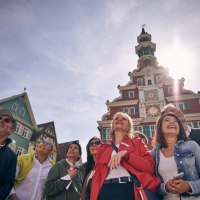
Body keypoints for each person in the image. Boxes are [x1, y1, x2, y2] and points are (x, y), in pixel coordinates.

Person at [90, 112, 160, 200]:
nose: (119, 119)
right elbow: (97, 177)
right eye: (116, 118)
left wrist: (127, 155)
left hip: (130, 188)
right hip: (106, 190)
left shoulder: (137, 142)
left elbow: (149, 167)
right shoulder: (104, 148)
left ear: (129, 127)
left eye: (124, 119)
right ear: (112, 127)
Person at [151, 112, 200, 199]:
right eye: (167, 120)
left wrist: (189, 186)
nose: (172, 122)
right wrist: (165, 187)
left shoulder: (192, 145)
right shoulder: (153, 153)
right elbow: (153, 185)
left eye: (175, 121)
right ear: (160, 128)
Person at [0, 109, 17, 200]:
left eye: (6, 120)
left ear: (11, 130)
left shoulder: (12, 156)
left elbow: (8, 183)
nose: (1, 121)